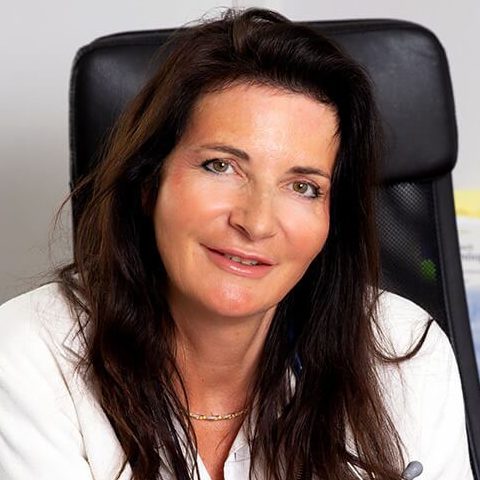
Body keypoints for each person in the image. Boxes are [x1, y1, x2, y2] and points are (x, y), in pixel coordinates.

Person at [0, 8, 474, 480]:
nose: (256, 222)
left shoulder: (405, 355)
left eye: (303, 187)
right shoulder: (27, 356)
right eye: (221, 166)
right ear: (148, 183)